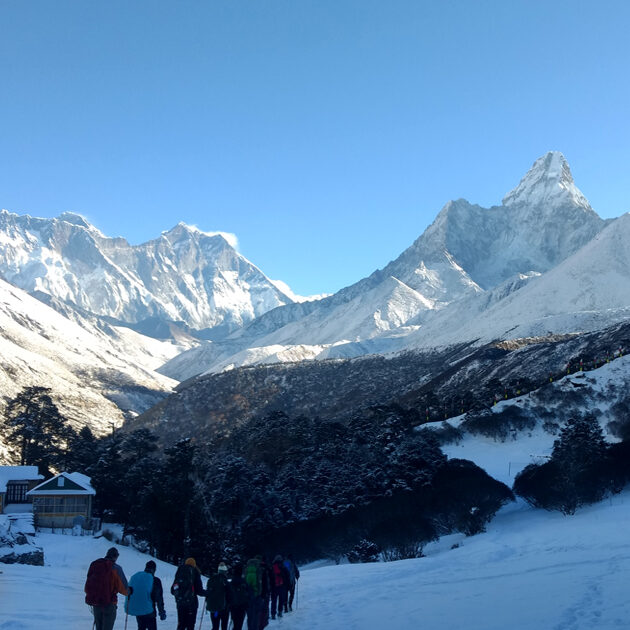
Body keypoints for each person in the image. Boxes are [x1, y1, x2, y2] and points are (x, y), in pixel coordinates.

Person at [84, 546, 129, 630]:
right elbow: (124, 589)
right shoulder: (115, 568)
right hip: (109, 603)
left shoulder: (95, 564)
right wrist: (130, 591)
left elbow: (88, 583)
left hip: (96, 603)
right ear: (116, 557)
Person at [126, 560, 167, 630]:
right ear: (154, 569)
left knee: (141, 627)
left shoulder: (138, 578)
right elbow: (159, 598)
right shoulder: (155, 580)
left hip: (139, 611)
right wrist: (161, 612)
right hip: (149, 612)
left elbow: (130, 592)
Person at [171, 557, 205, 630]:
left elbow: (172, 590)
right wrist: (208, 593)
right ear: (194, 565)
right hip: (191, 604)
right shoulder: (195, 572)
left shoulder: (180, 571)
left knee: (181, 624)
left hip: (180, 603)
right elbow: (199, 591)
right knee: (190, 625)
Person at [205, 562, 230, 630]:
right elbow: (229, 595)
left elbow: (208, 593)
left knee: (215, 625)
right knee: (224, 626)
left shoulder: (211, 580)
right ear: (225, 572)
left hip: (214, 609)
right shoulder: (225, 582)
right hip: (223, 609)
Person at [227, 562, 250, 630]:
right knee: (239, 623)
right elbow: (248, 594)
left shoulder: (231, 582)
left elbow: (228, 594)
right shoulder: (244, 582)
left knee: (234, 620)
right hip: (242, 606)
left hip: (233, 605)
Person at [269, 555, 290, 620]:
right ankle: (280, 612)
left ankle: (273, 614)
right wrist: (287, 585)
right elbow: (287, 576)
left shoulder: (272, 567)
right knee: (281, 599)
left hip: (274, 586)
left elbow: (270, 577)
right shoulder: (283, 566)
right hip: (282, 586)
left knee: (274, 600)